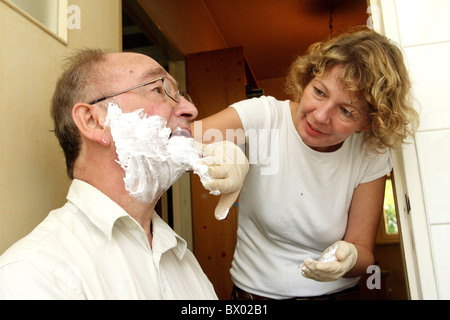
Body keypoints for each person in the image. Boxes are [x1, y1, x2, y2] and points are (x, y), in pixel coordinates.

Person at [0, 49, 248, 299]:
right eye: (159, 90)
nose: (191, 109)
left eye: (182, 95)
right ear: (92, 121)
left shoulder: (180, 258)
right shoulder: (33, 273)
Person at [193, 28, 419, 299]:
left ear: (367, 122)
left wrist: (350, 258)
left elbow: (362, 249)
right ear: (308, 79)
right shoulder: (264, 118)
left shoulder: (369, 153)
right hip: (254, 298)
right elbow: (175, 140)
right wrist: (220, 154)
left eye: (346, 110)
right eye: (320, 92)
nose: (321, 116)